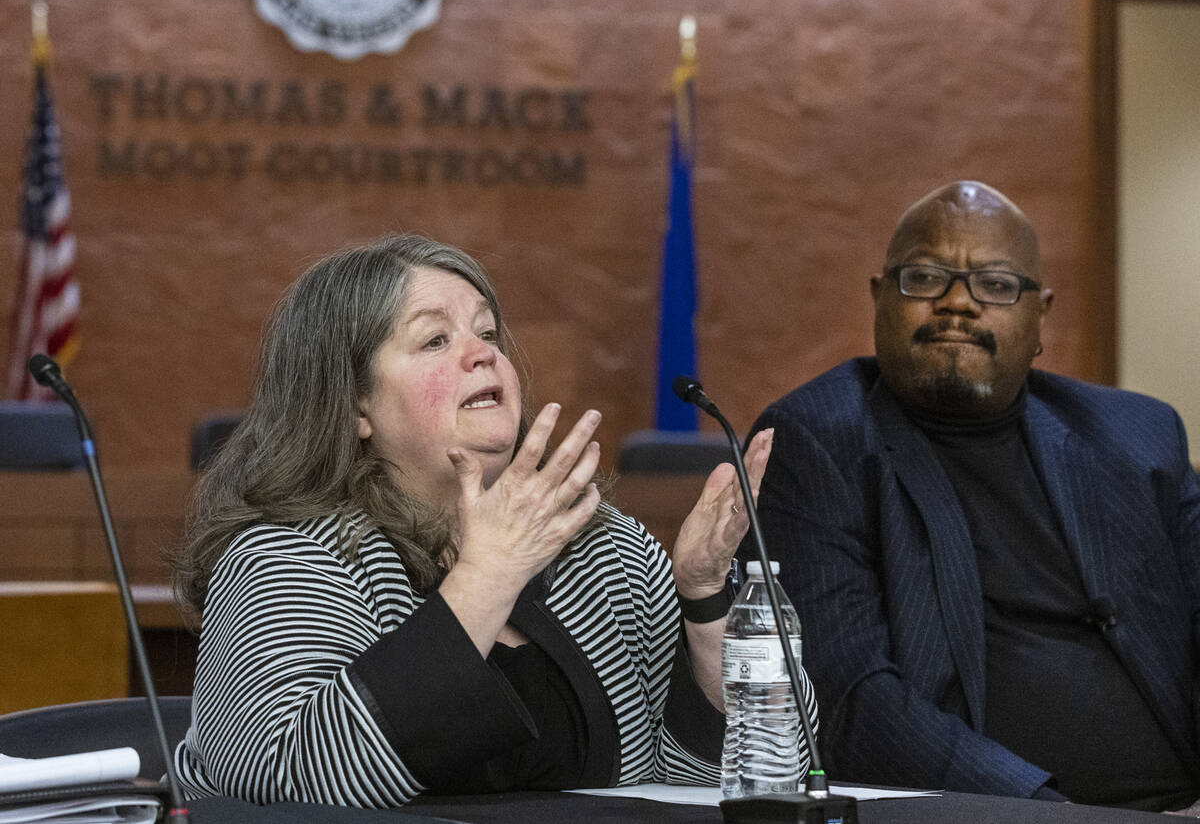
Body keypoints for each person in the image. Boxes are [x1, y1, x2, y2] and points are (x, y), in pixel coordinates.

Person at [170, 234, 817, 806]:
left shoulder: (604, 550)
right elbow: (291, 777)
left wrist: (705, 598)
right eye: (434, 339)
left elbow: (759, 763)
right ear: (353, 405)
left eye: (487, 333)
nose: (481, 354)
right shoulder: (287, 557)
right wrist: (490, 574)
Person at [744, 180, 1200, 813]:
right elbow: (848, 697)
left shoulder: (1139, 437)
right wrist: (1058, 813)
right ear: (879, 297)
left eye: (996, 284)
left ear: (1041, 315)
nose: (957, 303)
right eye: (925, 277)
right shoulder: (818, 438)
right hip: (1000, 811)